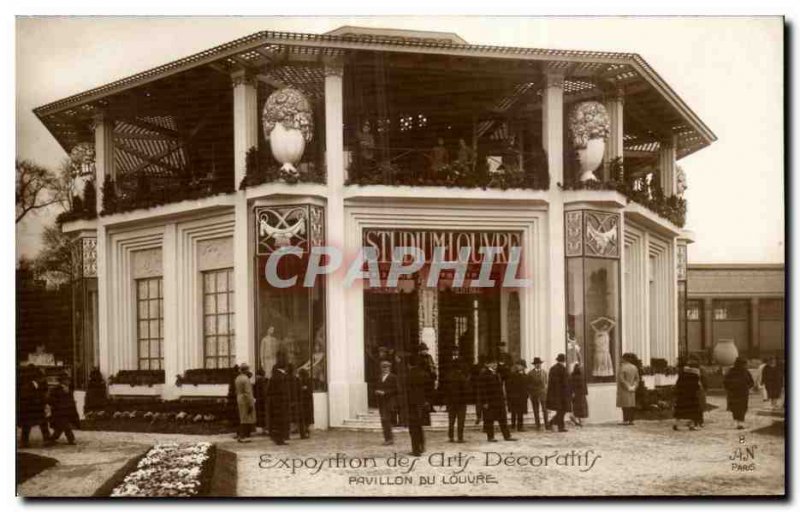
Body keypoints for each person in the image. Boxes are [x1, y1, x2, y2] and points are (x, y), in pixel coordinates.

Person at [477, 357, 516, 442]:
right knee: (489, 419)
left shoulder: (498, 373)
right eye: (492, 363)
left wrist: (503, 366)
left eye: (495, 363)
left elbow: (508, 375)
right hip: (489, 401)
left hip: (499, 400)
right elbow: (482, 389)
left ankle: (507, 436)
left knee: (503, 419)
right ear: (487, 364)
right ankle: (490, 437)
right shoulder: (484, 374)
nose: (495, 365)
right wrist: (484, 402)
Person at [441, 349, 470, 443]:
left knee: (451, 420)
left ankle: (451, 437)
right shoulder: (462, 377)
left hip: (451, 401)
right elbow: (466, 390)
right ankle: (460, 437)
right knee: (461, 421)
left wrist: (446, 401)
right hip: (461, 402)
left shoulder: (448, 376)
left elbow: (445, 389)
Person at [404, 355, 430, 456]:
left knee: (413, 427)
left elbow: (407, 391)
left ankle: (416, 450)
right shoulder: (424, 373)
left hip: (413, 404)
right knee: (419, 426)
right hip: (422, 404)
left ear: (409, 364)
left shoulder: (410, 375)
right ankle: (421, 446)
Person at [18, 366, 50, 447]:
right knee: (28, 425)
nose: (43, 379)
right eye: (42, 377)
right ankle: (24, 442)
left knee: (42, 423)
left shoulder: (37, 385)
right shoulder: (28, 386)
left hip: (36, 408)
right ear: (38, 378)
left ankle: (47, 439)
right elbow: (27, 397)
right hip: (30, 409)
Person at [45, 373, 79, 446]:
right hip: (59, 411)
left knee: (60, 427)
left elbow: (70, 399)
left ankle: (51, 439)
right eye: (67, 380)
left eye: (69, 380)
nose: (69, 381)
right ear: (62, 381)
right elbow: (50, 400)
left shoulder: (69, 389)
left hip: (67, 411)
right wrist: (57, 405)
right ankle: (71, 439)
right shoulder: (56, 389)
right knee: (66, 426)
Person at [724, 357, 755, 430]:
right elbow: (725, 382)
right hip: (735, 393)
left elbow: (751, 382)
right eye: (744, 364)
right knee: (737, 408)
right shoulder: (732, 372)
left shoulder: (745, 371)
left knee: (741, 408)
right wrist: (730, 388)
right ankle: (739, 422)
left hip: (742, 393)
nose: (745, 366)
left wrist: (747, 387)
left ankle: (739, 422)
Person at [673, 357, 702, 431]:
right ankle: (692, 425)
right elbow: (697, 387)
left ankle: (675, 423)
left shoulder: (682, 375)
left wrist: (678, 392)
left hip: (682, 396)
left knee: (679, 411)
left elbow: (678, 384)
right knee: (693, 411)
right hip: (691, 396)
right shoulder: (695, 376)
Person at [375, 360, 399, 445]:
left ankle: (389, 439)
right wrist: (377, 391)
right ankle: (387, 438)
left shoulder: (393, 377)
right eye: (383, 367)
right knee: (383, 420)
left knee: (386, 419)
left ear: (389, 368)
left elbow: (396, 389)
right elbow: (377, 386)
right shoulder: (379, 377)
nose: (385, 369)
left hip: (389, 401)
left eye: (387, 367)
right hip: (381, 401)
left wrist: (385, 392)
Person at [268, 360, 291, 445]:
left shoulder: (273, 377)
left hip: (274, 403)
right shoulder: (282, 377)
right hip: (281, 403)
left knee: (276, 422)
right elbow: (284, 391)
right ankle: (280, 439)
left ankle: (277, 438)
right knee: (282, 421)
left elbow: (269, 391)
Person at [546, 353, 571, 432]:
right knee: (562, 410)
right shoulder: (563, 369)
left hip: (554, 394)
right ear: (563, 361)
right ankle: (554, 423)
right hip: (562, 394)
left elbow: (550, 382)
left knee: (560, 410)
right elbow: (565, 383)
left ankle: (559, 425)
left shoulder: (553, 368)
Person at [235, 363, 256, 442]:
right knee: (246, 417)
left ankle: (241, 435)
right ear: (246, 370)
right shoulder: (246, 379)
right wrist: (251, 403)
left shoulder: (238, 378)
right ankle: (243, 436)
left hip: (239, 397)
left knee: (242, 416)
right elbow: (248, 392)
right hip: (245, 399)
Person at [527, 357, 549, 430]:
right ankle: (538, 425)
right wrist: (530, 393)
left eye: (539, 364)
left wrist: (546, 391)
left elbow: (546, 383)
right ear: (534, 365)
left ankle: (547, 424)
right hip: (534, 394)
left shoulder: (544, 372)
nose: (538, 365)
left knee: (545, 410)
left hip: (543, 394)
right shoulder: (530, 373)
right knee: (536, 410)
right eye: (536, 364)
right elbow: (528, 385)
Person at [617, 353, 639, 425]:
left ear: (624, 359)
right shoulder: (634, 367)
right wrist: (634, 386)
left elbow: (621, 379)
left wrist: (628, 386)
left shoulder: (622, 368)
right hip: (632, 390)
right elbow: (637, 379)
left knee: (625, 405)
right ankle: (631, 420)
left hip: (624, 390)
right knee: (631, 405)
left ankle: (625, 420)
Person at [506, 362, 529, 432]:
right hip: (516, 397)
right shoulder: (516, 375)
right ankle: (517, 426)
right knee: (517, 412)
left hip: (517, 396)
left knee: (517, 412)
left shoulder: (521, 375)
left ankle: (516, 426)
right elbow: (509, 386)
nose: (522, 368)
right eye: (521, 367)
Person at [295, 368, 313, 439]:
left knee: (304, 418)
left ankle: (304, 432)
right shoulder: (305, 381)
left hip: (304, 402)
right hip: (306, 402)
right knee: (306, 418)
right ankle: (305, 432)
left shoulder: (304, 381)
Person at [570, 363, 588, 427]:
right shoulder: (573, 375)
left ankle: (580, 420)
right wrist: (572, 392)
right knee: (577, 408)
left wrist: (585, 392)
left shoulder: (581, 375)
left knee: (580, 408)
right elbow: (571, 385)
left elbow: (584, 384)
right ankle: (578, 420)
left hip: (580, 394)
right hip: (577, 394)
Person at [254, 368, 270, 435]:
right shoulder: (266, 380)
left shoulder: (259, 382)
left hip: (260, 400)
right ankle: (266, 428)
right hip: (265, 400)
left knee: (262, 415)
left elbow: (257, 392)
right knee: (265, 415)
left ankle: (264, 429)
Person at [226, 364, 240, 430]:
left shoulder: (232, 375)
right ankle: (235, 422)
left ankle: (232, 422)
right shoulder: (238, 375)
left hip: (232, 394)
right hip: (235, 394)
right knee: (236, 409)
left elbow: (230, 385)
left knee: (231, 409)